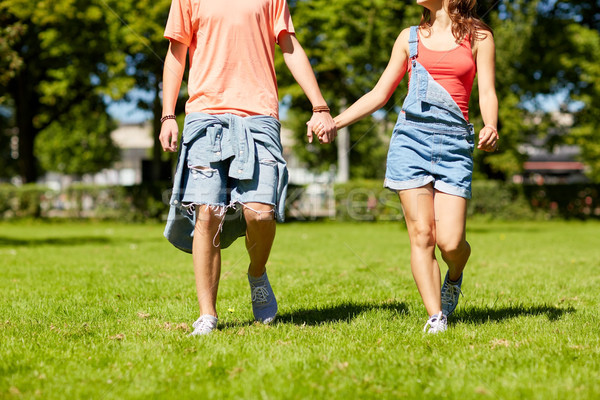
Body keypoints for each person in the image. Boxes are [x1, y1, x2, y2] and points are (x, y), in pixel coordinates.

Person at [312, 0, 498, 333]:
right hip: (410, 141)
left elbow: (487, 90)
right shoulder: (409, 38)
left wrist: (491, 125)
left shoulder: (479, 37)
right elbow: (380, 93)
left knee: (451, 243)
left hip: (456, 143)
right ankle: (436, 316)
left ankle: (454, 274)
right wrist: (334, 123)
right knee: (423, 234)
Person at [160, 0, 337, 336]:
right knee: (207, 212)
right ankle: (207, 314)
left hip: (259, 116)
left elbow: (290, 47)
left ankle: (256, 273)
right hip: (205, 115)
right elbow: (176, 53)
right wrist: (168, 114)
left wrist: (320, 105)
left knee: (260, 213)